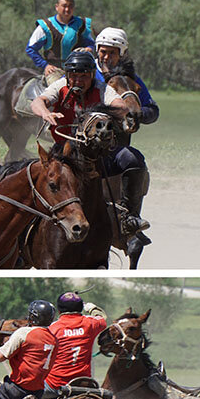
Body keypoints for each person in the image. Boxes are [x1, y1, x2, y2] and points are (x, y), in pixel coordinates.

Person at [31, 50, 151, 253]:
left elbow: (119, 105)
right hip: (64, 154)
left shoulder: (102, 88)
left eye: (84, 75)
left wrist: (114, 113)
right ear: (68, 75)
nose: (78, 80)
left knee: (134, 159)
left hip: (98, 154)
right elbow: (38, 101)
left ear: (91, 76)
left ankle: (130, 218)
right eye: (74, 75)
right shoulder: (60, 86)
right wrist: (45, 113)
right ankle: (29, 230)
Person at [93, 27, 159, 263]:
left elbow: (153, 109)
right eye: (103, 51)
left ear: (121, 54)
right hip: (86, 148)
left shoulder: (130, 80)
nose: (106, 57)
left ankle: (131, 219)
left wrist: (138, 114)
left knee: (135, 160)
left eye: (112, 53)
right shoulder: (86, 71)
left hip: (116, 150)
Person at [44, 292, 107, 389]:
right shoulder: (90, 324)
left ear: (59, 311)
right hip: (84, 383)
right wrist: (91, 308)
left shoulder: (52, 329)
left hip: (56, 385)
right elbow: (102, 318)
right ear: (81, 308)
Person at [25, 0, 95, 82]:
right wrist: (45, 65)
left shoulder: (82, 24)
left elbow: (91, 43)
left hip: (79, 68)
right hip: (55, 70)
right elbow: (30, 49)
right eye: (64, 6)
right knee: (57, 91)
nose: (67, 9)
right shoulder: (46, 26)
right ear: (57, 7)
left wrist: (89, 48)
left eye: (70, 6)